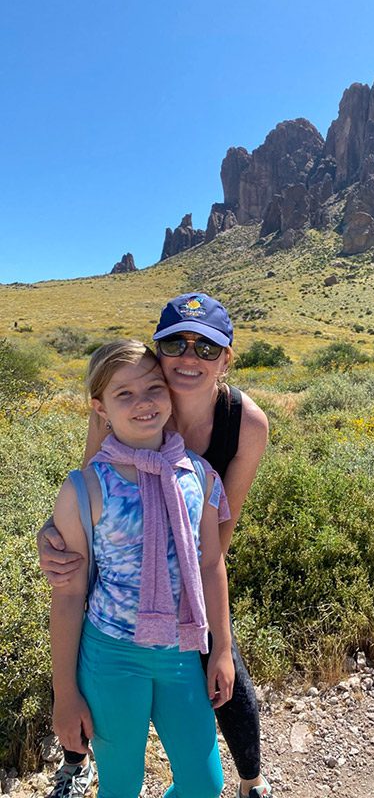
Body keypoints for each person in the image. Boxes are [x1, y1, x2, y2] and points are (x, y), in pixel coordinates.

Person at [39, 293, 271, 798]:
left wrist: (219, 642)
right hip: (113, 637)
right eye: (176, 345)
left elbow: (212, 554)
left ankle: (252, 782)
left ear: (226, 358)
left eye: (207, 348)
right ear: (159, 351)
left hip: (184, 620)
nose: (190, 357)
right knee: (117, 767)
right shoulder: (127, 399)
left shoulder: (238, 430)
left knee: (216, 730)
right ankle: (74, 763)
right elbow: (87, 486)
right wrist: (55, 534)